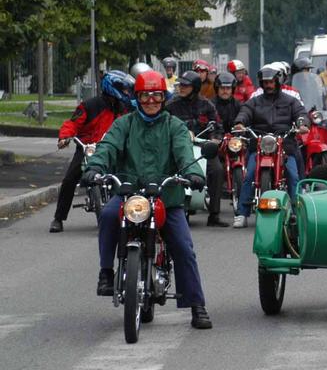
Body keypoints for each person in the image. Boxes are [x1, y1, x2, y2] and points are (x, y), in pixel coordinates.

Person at [82, 70, 212, 328]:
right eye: (144, 96)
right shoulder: (124, 124)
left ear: (163, 98)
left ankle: (197, 305)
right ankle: (106, 272)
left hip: (167, 196)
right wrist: (95, 167)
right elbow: (107, 148)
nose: (150, 101)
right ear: (137, 98)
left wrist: (194, 173)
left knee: (184, 247)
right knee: (108, 215)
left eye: (155, 96)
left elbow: (185, 154)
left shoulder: (174, 126)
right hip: (130, 194)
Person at [49, 71, 134, 233]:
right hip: (88, 148)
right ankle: (58, 218)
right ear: (112, 87)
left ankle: (134, 214)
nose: (125, 92)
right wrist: (65, 137)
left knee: (129, 175)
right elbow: (72, 123)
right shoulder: (90, 105)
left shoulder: (124, 108)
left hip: (112, 148)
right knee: (69, 180)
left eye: (126, 89)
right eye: (122, 89)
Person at [232, 65, 309, 228]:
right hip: (259, 143)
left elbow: (301, 113)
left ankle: (297, 212)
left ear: (278, 81)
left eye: (271, 82)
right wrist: (240, 122)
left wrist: (302, 124)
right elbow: (244, 112)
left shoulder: (290, 101)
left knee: (294, 176)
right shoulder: (254, 101)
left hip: (285, 144)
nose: (268, 85)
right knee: (249, 175)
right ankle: (242, 213)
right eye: (265, 82)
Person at [166, 71, 229, 227]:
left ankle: (214, 215)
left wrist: (215, 140)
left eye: (185, 85)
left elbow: (217, 126)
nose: (181, 87)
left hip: (202, 147)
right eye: (180, 84)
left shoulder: (207, 105)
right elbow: (162, 126)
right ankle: (166, 209)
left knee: (217, 170)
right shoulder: (171, 105)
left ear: (194, 87)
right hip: (178, 147)